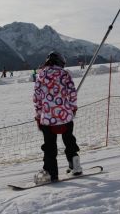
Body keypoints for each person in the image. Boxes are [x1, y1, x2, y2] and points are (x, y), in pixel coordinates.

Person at [33, 51, 82, 183]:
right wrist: (73, 108)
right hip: (66, 116)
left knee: (49, 145)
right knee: (69, 140)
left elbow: (37, 99)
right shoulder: (65, 74)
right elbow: (72, 94)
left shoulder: (41, 75)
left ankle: (50, 173)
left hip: (48, 118)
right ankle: (75, 164)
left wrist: (38, 116)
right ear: (60, 61)